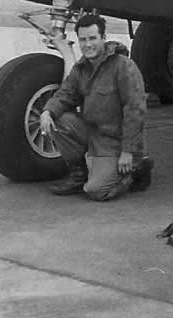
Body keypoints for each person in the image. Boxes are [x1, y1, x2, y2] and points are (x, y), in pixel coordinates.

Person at [39, 14, 154, 201]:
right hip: (92, 133)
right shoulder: (81, 69)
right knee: (58, 120)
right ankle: (79, 175)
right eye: (83, 40)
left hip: (115, 142)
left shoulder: (124, 67)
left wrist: (129, 151)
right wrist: (47, 111)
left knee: (96, 191)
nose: (88, 44)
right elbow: (65, 94)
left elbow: (135, 110)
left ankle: (136, 170)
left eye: (92, 38)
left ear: (103, 38)